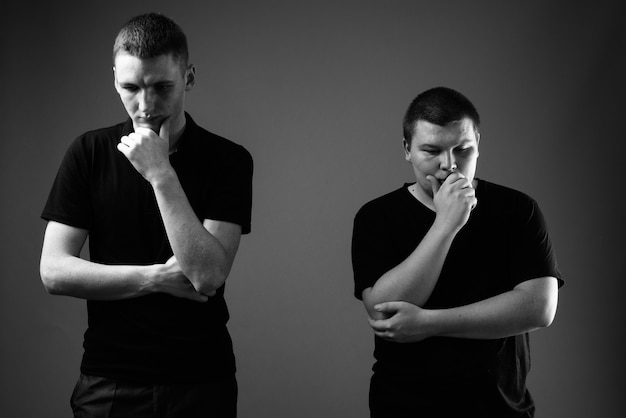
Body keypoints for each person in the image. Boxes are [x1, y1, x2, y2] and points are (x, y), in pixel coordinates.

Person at [39, 13, 252, 418]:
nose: (146, 105)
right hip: (108, 379)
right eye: (130, 87)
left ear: (188, 78)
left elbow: (206, 275)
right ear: (114, 78)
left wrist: (161, 173)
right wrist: (154, 279)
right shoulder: (88, 153)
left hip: (201, 379)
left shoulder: (229, 160)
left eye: (162, 87)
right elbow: (54, 272)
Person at [351, 86, 562, 417]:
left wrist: (429, 323)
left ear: (478, 143)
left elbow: (539, 308)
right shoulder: (376, 217)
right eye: (431, 150)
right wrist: (446, 224)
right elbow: (383, 312)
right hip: (404, 405)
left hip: (500, 406)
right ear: (407, 149)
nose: (449, 165)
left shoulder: (518, 210)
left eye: (463, 149)